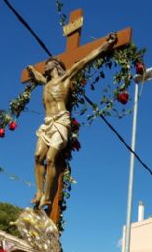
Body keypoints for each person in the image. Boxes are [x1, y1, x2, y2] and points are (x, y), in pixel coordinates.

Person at [27, 32, 117, 209]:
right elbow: (38, 77)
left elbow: (85, 61)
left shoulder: (65, 78)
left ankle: (47, 195)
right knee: (38, 156)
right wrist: (32, 71)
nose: (44, 66)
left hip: (61, 121)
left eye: (47, 64)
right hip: (47, 123)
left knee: (51, 158)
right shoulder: (46, 84)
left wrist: (106, 45)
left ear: (55, 65)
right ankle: (39, 191)